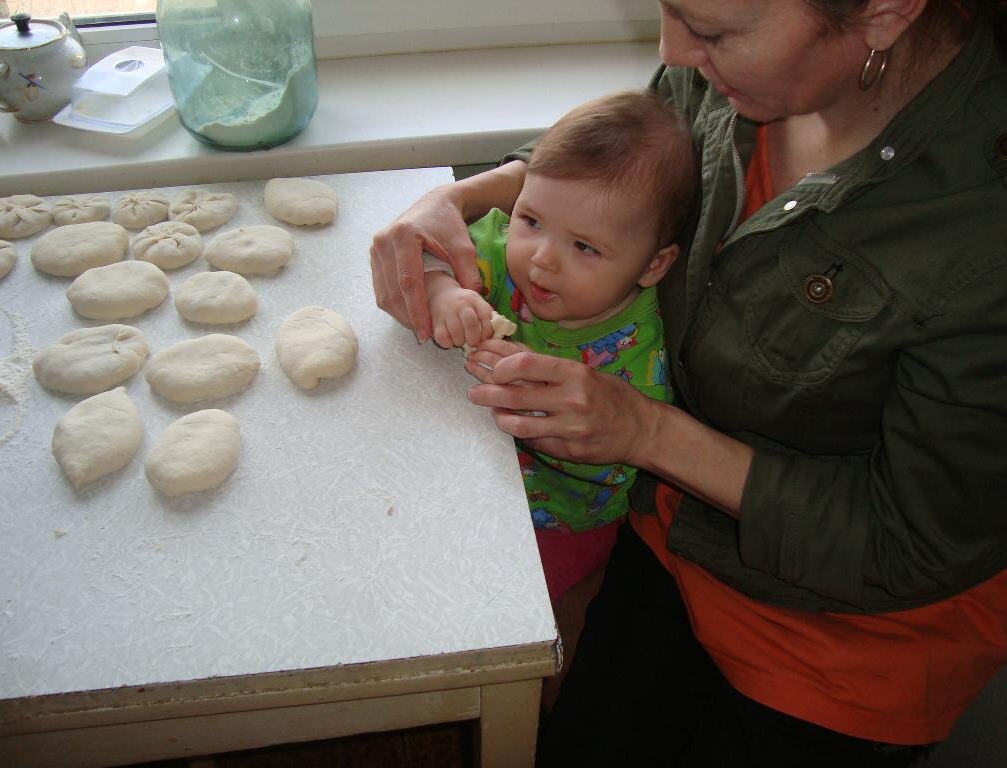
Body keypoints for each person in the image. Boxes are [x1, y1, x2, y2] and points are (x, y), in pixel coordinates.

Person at [370, 1, 1007, 765]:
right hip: (669, 534)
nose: (674, 50)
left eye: (712, 31)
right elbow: (636, 155)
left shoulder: (982, 217)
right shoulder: (727, 73)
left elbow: (913, 539)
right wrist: (463, 198)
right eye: (668, 8)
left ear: (885, 11)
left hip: (848, 641)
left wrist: (645, 432)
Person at [424, 90, 695, 601]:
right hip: (470, 470)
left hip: (564, 519)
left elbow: (613, 466)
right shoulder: (507, 251)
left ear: (653, 265)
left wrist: (539, 410)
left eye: (585, 247)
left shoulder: (643, 360)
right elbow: (429, 255)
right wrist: (445, 291)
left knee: (492, 604)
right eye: (532, 221)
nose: (541, 260)